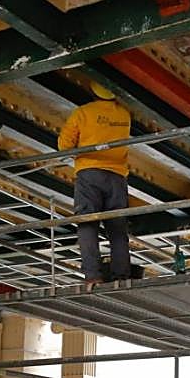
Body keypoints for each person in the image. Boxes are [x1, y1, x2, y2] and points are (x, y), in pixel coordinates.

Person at [58, 82, 133, 290]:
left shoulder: (83, 112)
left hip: (89, 173)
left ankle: (93, 275)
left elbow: (64, 146)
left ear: (92, 91)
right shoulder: (124, 115)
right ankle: (121, 276)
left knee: (87, 223)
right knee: (117, 228)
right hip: (117, 177)